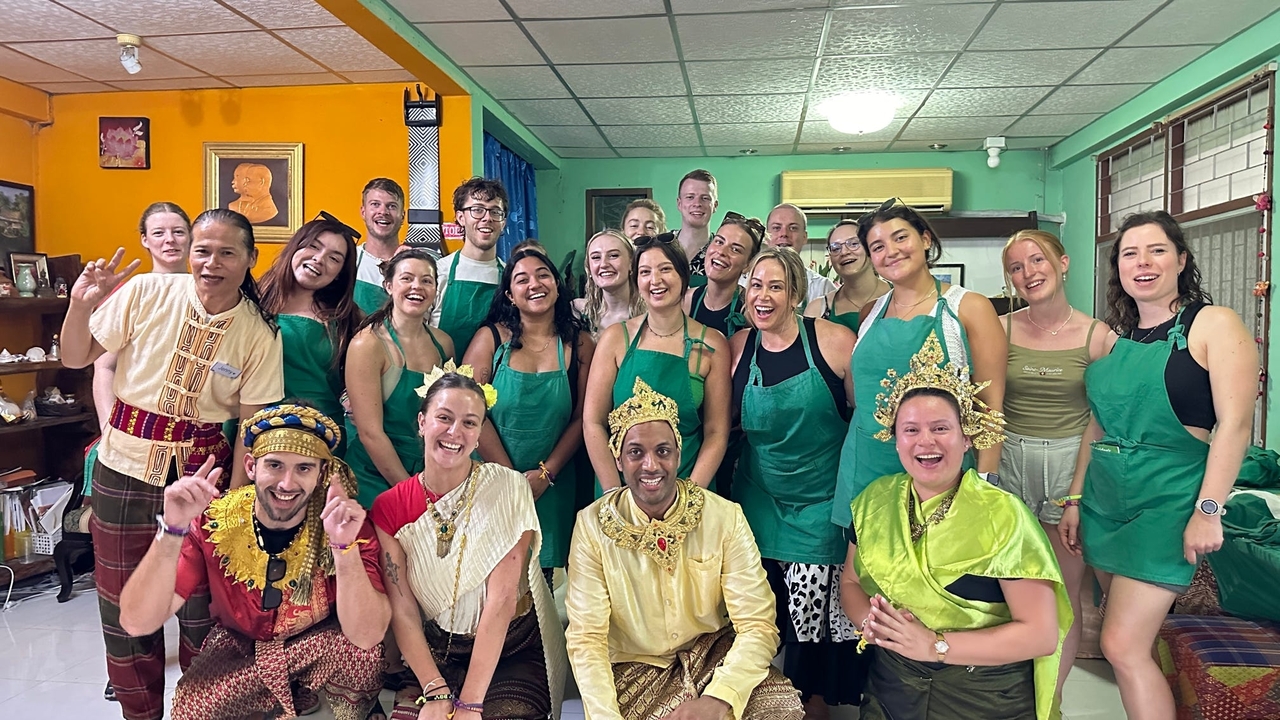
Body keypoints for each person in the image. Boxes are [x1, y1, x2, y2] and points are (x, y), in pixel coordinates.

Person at [60, 208, 284, 720]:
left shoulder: (259, 333)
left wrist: (238, 500)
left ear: (250, 259)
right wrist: (79, 305)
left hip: (203, 476)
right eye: (203, 250)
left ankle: (198, 708)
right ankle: (139, 712)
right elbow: (75, 356)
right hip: (124, 464)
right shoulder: (146, 293)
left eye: (228, 252)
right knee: (121, 601)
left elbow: (251, 429)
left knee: (202, 604)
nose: (212, 263)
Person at [1059, 211, 1256, 720]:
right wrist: (1076, 499)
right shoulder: (1120, 338)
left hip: (1168, 504)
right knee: (1129, 648)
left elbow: (1235, 426)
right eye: (1129, 254)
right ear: (1117, 268)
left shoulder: (1213, 324)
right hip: (1106, 502)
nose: (1142, 263)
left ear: (1182, 259)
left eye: (1156, 250)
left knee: (1121, 645)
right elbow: (1096, 427)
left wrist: (1209, 509)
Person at [841, 332, 1071, 720]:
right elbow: (850, 583)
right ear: (894, 440)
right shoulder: (873, 503)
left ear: (967, 438)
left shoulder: (1003, 516)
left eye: (941, 428)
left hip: (984, 696)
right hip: (891, 686)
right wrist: (872, 622)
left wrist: (935, 646)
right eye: (911, 430)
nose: (925, 442)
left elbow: (1041, 634)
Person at [117, 404, 390, 720]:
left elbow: (368, 636)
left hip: (319, 646)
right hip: (238, 649)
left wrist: (344, 549)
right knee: (192, 708)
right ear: (250, 466)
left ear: (321, 474)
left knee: (361, 657)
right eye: (274, 465)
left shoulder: (346, 524)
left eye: (303, 468)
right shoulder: (214, 522)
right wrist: (172, 529)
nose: (287, 484)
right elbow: (136, 622)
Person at [566, 377, 805, 720]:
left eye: (662, 451)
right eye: (636, 452)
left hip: (715, 656)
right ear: (618, 459)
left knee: (780, 711)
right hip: (635, 669)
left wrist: (721, 698)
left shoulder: (723, 516)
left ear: (678, 455)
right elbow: (587, 640)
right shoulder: (592, 527)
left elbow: (758, 625)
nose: (651, 465)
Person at [372, 365, 567, 720]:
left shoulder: (507, 488)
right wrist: (434, 688)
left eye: (469, 423)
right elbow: (402, 610)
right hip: (435, 654)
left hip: (512, 649)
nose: (454, 432)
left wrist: (471, 704)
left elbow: (503, 600)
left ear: (479, 435)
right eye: (444, 417)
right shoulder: (390, 508)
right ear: (421, 422)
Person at [730, 248, 861, 716]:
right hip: (757, 503)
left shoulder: (834, 341)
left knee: (815, 641)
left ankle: (812, 708)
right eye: (756, 286)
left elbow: (863, 425)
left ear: (797, 295)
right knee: (759, 625)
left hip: (821, 506)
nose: (763, 297)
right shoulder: (737, 346)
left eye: (776, 287)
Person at [831, 201, 1006, 529]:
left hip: (937, 467)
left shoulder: (968, 308)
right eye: (878, 246)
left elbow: (991, 408)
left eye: (901, 238)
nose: (892, 251)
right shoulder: (871, 312)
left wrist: (985, 481)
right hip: (865, 464)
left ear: (925, 240)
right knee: (866, 574)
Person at [999, 229, 1115, 698]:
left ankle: (1051, 699)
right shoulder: (999, 328)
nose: (1029, 273)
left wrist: (1077, 497)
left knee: (1063, 598)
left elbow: (1099, 422)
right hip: (1009, 459)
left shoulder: (1099, 336)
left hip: (1070, 463)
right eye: (1016, 267)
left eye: (1037, 260)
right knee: (1010, 592)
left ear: (1062, 263)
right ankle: (1010, 696)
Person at [465, 242, 595, 578]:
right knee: (489, 584)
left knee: (541, 589)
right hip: (492, 480)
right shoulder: (489, 340)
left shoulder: (580, 344)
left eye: (543, 275)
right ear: (509, 295)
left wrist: (545, 475)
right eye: (521, 279)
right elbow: (469, 415)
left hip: (551, 484)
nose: (534, 284)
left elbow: (584, 417)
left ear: (556, 284)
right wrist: (512, 482)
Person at [584, 234, 730, 492]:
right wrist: (612, 493)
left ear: (683, 276)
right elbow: (593, 422)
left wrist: (691, 496)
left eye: (665, 269)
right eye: (645, 272)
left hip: (685, 483)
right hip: (622, 487)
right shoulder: (616, 339)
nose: (655, 280)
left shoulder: (711, 344)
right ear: (636, 280)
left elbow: (716, 431)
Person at [345, 249, 453, 509]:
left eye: (427, 280)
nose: (417, 286)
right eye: (407, 278)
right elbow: (371, 433)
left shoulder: (444, 344)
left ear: (436, 290)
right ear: (389, 286)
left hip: (426, 472)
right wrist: (411, 492)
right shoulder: (367, 344)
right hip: (373, 477)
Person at [257, 214, 362, 449]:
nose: (319, 259)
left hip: (320, 435)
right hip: (256, 428)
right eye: (314, 246)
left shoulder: (347, 318)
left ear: (339, 275)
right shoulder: (252, 300)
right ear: (296, 246)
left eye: (334, 258)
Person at [93, 202, 193, 433]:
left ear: (190, 237)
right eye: (159, 233)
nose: (170, 240)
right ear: (144, 240)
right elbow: (105, 367)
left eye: (178, 232)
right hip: (136, 426)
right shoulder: (130, 293)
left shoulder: (212, 293)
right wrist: (107, 425)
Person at [432, 177, 507, 359]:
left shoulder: (511, 279)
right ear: (460, 217)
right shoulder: (437, 272)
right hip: (441, 381)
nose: (487, 218)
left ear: (503, 222)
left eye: (495, 211)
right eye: (477, 210)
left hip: (496, 382)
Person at [682, 212, 763, 339]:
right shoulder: (685, 302)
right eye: (719, 242)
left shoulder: (751, 310)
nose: (721, 252)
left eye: (735, 249)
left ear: (748, 264)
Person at [804, 219, 889, 333]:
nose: (844, 252)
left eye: (854, 244)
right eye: (836, 248)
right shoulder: (817, 310)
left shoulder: (900, 296)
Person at [572, 229, 644, 339]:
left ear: (631, 263)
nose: (604, 264)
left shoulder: (651, 316)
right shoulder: (576, 312)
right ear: (589, 268)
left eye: (613, 255)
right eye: (596, 257)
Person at [354, 178, 406, 314]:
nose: (383, 212)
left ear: (403, 216)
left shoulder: (413, 264)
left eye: (392, 206)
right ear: (363, 212)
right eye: (375, 204)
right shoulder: (348, 261)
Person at [766, 204, 836, 304]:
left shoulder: (822, 288)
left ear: (804, 237)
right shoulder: (746, 284)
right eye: (777, 228)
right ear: (766, 236)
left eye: (793, 228)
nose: (784, 233)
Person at [672, 169, 718, 287]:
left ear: (715, 206)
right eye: (690, 197)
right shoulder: (661, 247)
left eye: (705, 198)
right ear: (679, 204)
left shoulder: (721, 253)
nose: (697, 203)